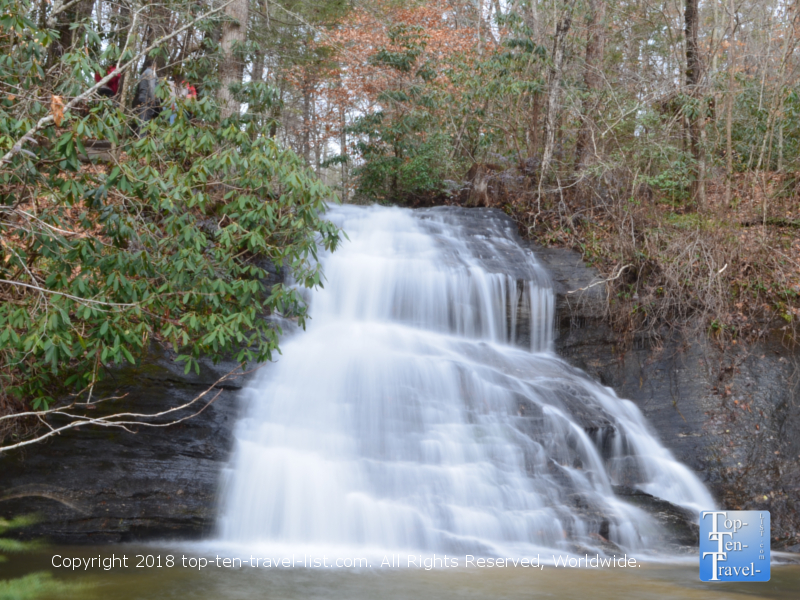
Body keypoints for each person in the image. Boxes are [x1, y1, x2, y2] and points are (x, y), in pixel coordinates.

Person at [132, 60, 160, 133]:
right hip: (148, 98)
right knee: (145, 120)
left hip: (142, 96)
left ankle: (141, 136)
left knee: (143, 119)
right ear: (154, 65)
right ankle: (142, 137)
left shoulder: (143, 73)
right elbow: (151, 86)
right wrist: (153, 99)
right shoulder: (151, 73)